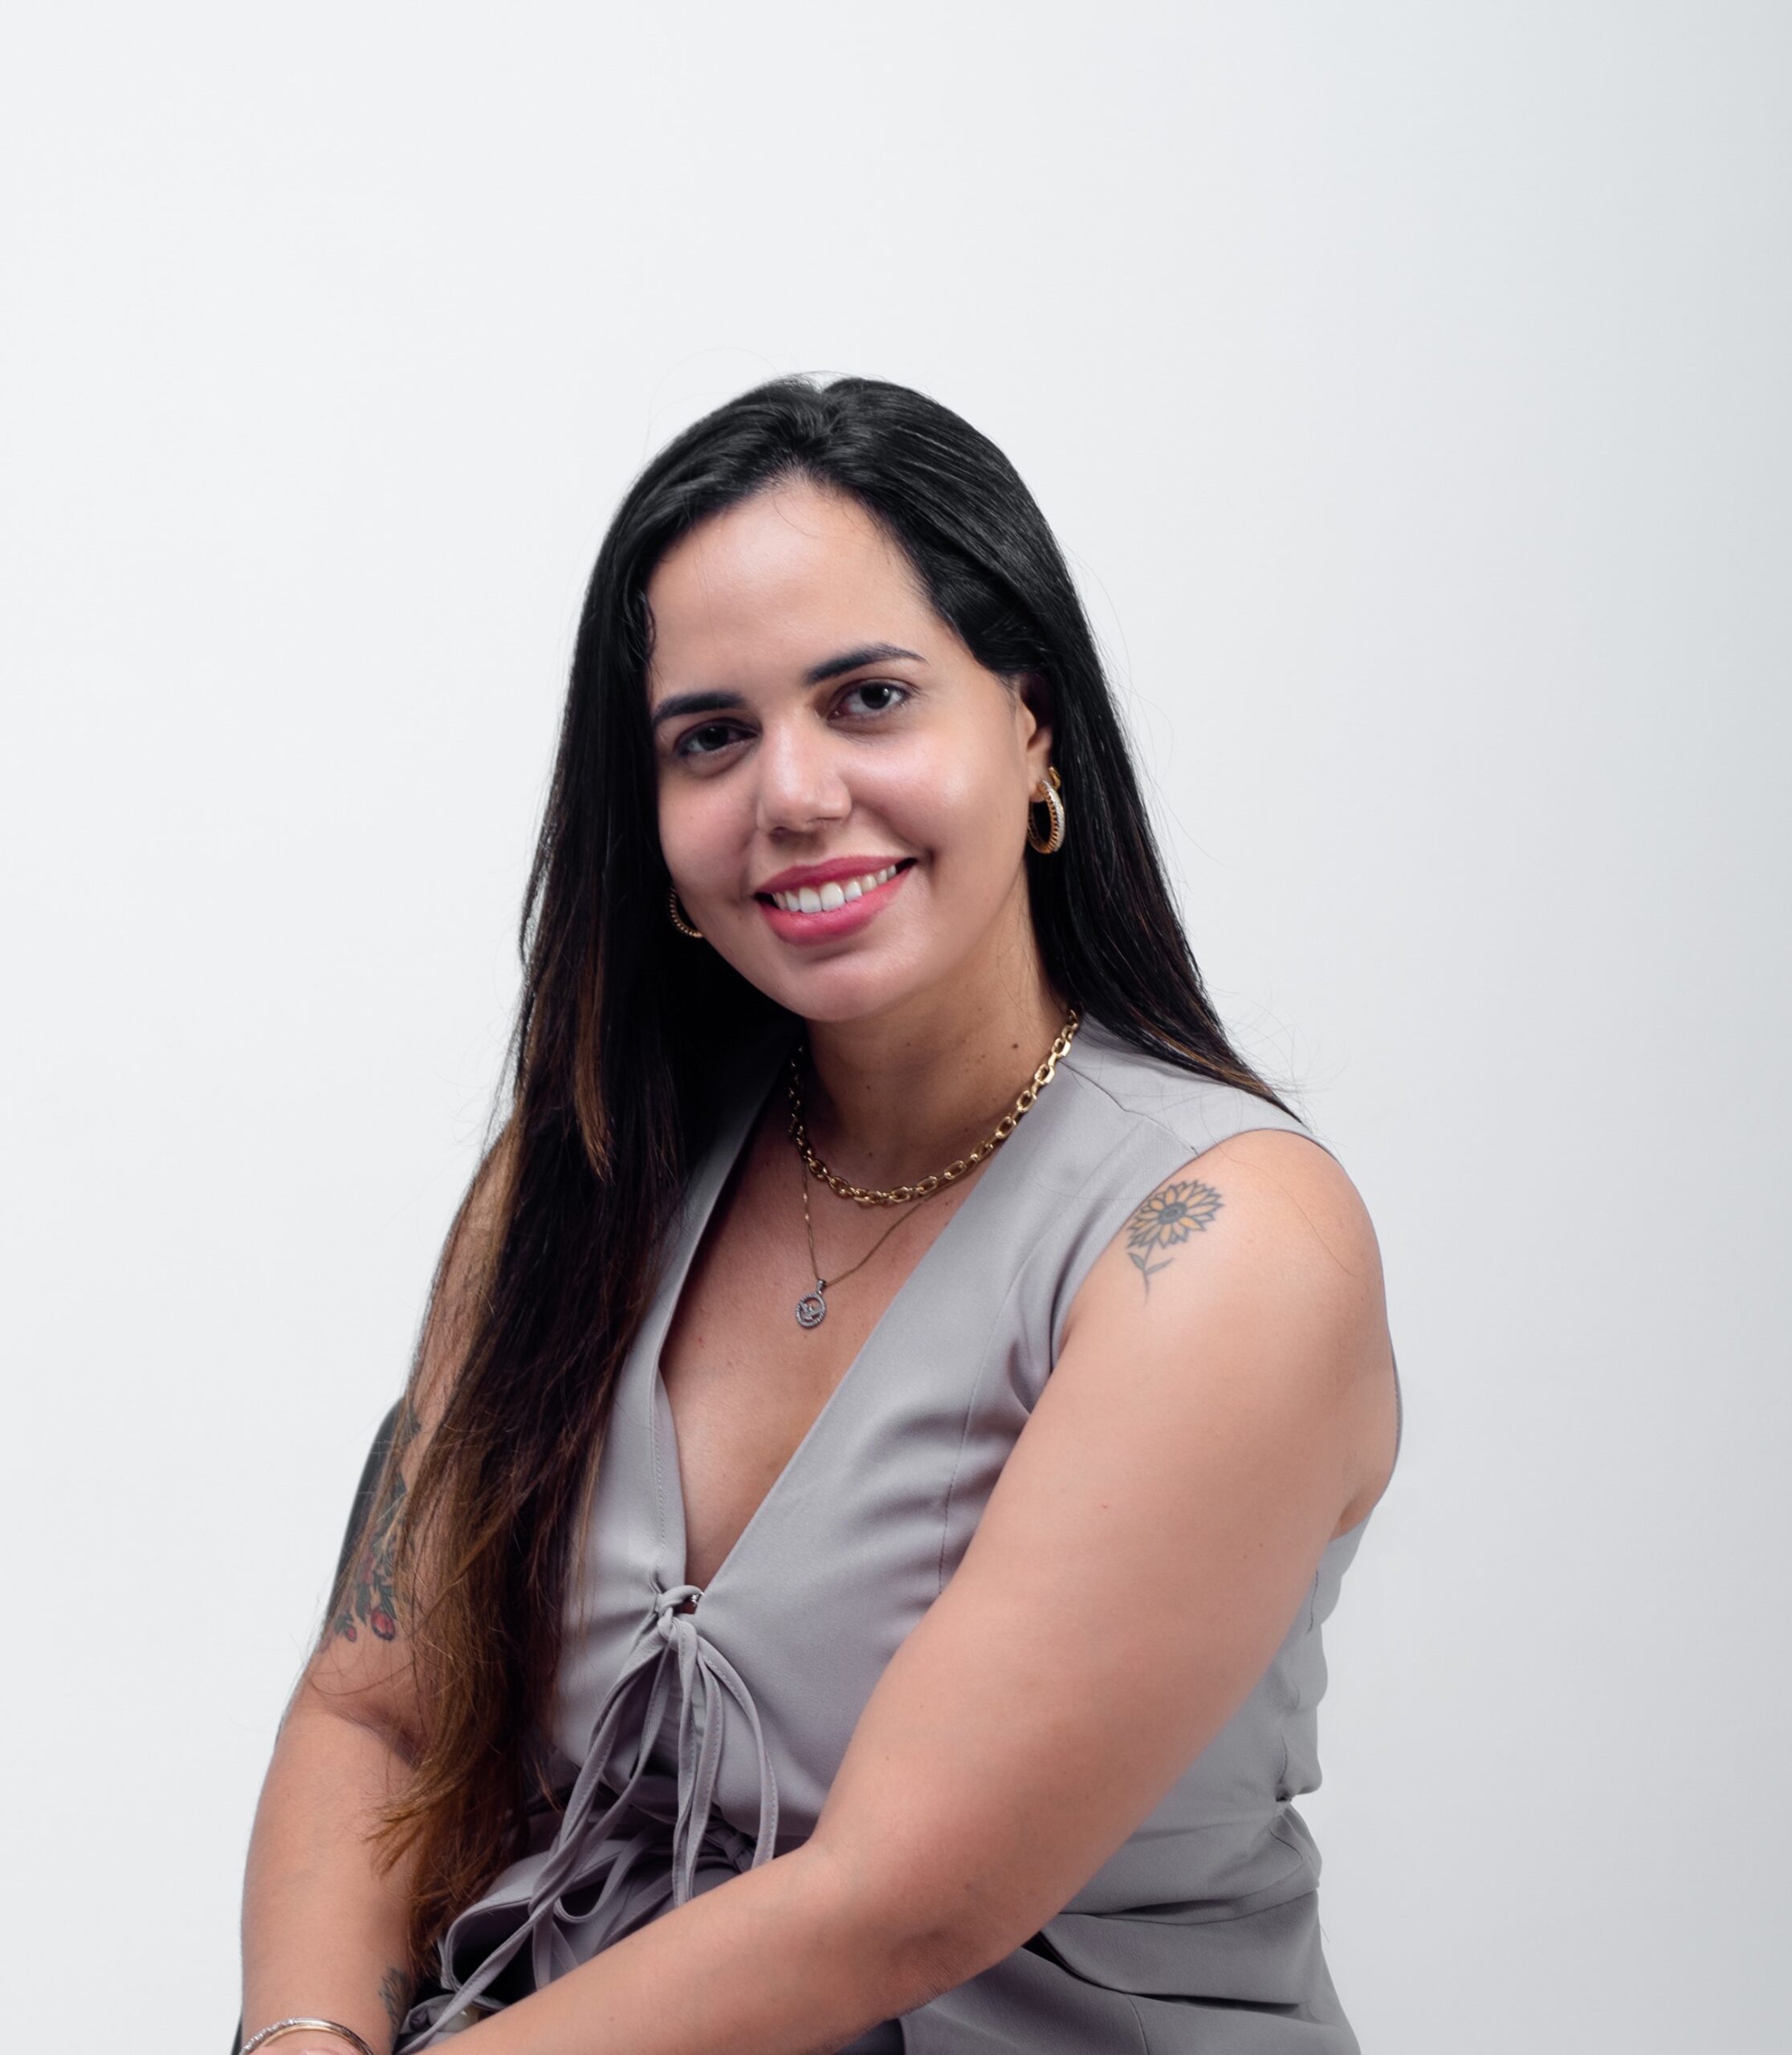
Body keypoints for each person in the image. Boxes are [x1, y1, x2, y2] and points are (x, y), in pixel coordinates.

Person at [238, 373, 1403, 2055]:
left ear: (1032, 725)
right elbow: (376, 1712)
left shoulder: (1225, 1245)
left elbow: (888, 1906)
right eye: (710, 737)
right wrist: (306, 2042)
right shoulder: (580, 1181)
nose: (791, 793)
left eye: (868, 698)